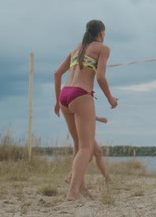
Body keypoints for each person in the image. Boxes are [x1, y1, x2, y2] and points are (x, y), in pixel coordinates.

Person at [54, 20, 118, 200]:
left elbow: (57, 73)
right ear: (102, 33)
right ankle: (73, 192)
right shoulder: (103, 48)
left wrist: (57, 101)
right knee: (86, 148)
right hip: (81, 94)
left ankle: (82, 188)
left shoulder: (77, 48)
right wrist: (111, 99)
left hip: (65, 94)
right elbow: (101, 77)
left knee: (78, 145)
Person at [65, 115, 111, 184]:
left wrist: (97, 118)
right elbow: (81, 111)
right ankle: (71, 176)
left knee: (97, 152)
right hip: (80, 126)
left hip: (83, 125)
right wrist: (98, 118)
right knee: (88, 155)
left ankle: (107, 178)